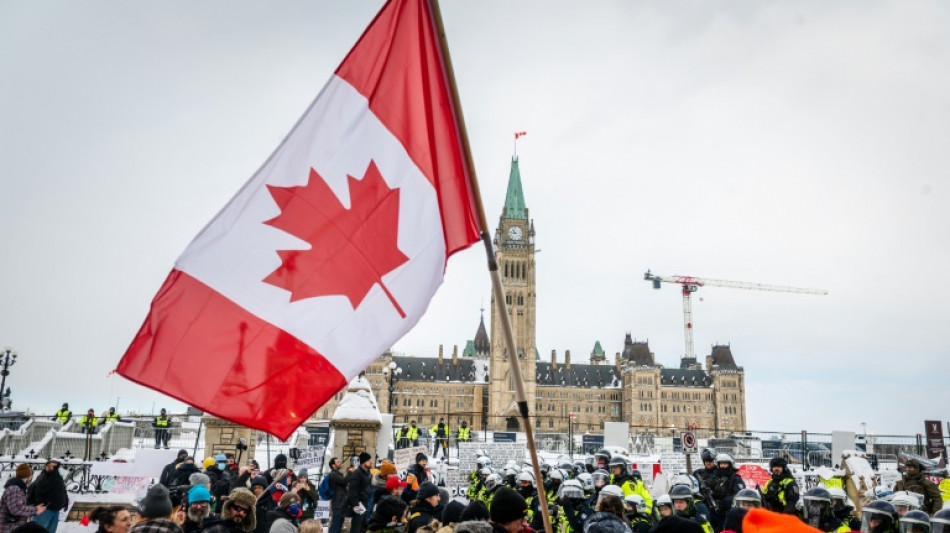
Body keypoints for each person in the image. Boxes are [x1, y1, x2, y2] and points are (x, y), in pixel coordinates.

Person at [702, 454, 744, 531]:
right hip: (712, 512)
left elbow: (739, 495)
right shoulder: (714, 477)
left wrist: (724, 502)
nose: (723, 466)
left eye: (725, 463)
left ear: (730, 465)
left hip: (728, 513)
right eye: (721, 463)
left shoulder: (735, 478)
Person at [0, 464, 46, 533]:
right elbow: (15, 509)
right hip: (9, 528)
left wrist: (34, 507)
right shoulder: (14, 488)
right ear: (28, 476)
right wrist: (35, 510)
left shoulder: (19, 488)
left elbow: (18, 507)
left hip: (14, 527)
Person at [26, 459, 68, 533]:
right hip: (44, 510)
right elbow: (44, 488)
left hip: (55, 510)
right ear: (46, 467)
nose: (54, 468)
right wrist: (54, 473)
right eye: (52, 466)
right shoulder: (43, 477)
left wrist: (65, 501)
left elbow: (62, 490)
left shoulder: (57, 477)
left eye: (56, 467)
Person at [347, 453, 375, 533]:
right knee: (356, 525)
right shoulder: (357, 473)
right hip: (359, 504)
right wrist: (355, 504)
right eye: (369, 460)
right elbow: (352, 490)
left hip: (366, 503)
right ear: (364, 462)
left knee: (363, 525)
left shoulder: (368, 473)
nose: (371, 462)